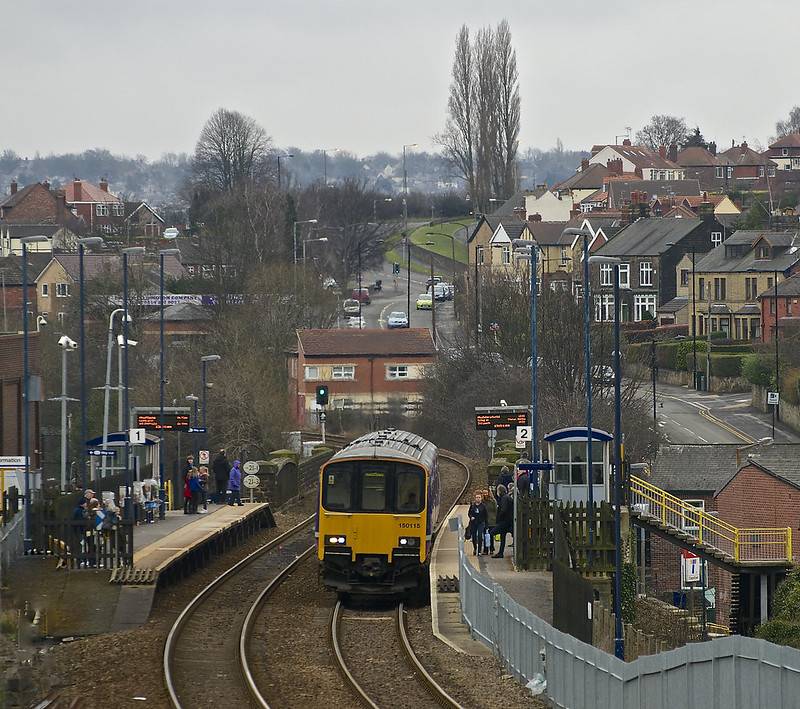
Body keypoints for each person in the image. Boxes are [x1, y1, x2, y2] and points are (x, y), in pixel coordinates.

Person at [491, 484, 514, 559]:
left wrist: (499, 517)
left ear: (499, 491)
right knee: (502, 536)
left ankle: (497, 551)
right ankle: (500, 552)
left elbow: (504, 509)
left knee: (492, 532)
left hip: (504, 521)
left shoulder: (504, 498)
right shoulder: (507, 497)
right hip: (509, 520)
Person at [467, 491, 487, 556]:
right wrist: (471, 517)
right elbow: (469, 513)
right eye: (476, 497)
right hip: (473, 523)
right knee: (474, 536)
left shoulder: (483, 506)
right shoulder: (472, 506)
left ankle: (479, 550)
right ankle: (475, 548)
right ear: (475, 498)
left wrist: (486, 524)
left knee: (480, 535)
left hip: (481, 522)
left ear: (481, 498)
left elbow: (486, 515)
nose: (478, 498)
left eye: (479, 497)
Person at [482, 489, 496, 555]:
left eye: (486, 493)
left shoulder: (493, 501)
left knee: (491, 535)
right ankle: (485, 550)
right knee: (485, 536)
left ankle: (491, 549)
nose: (485, 494)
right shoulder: (482, 502)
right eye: (484, 493)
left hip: (491, 520)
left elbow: (496, 510)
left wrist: (496, 519)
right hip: (484, 521)